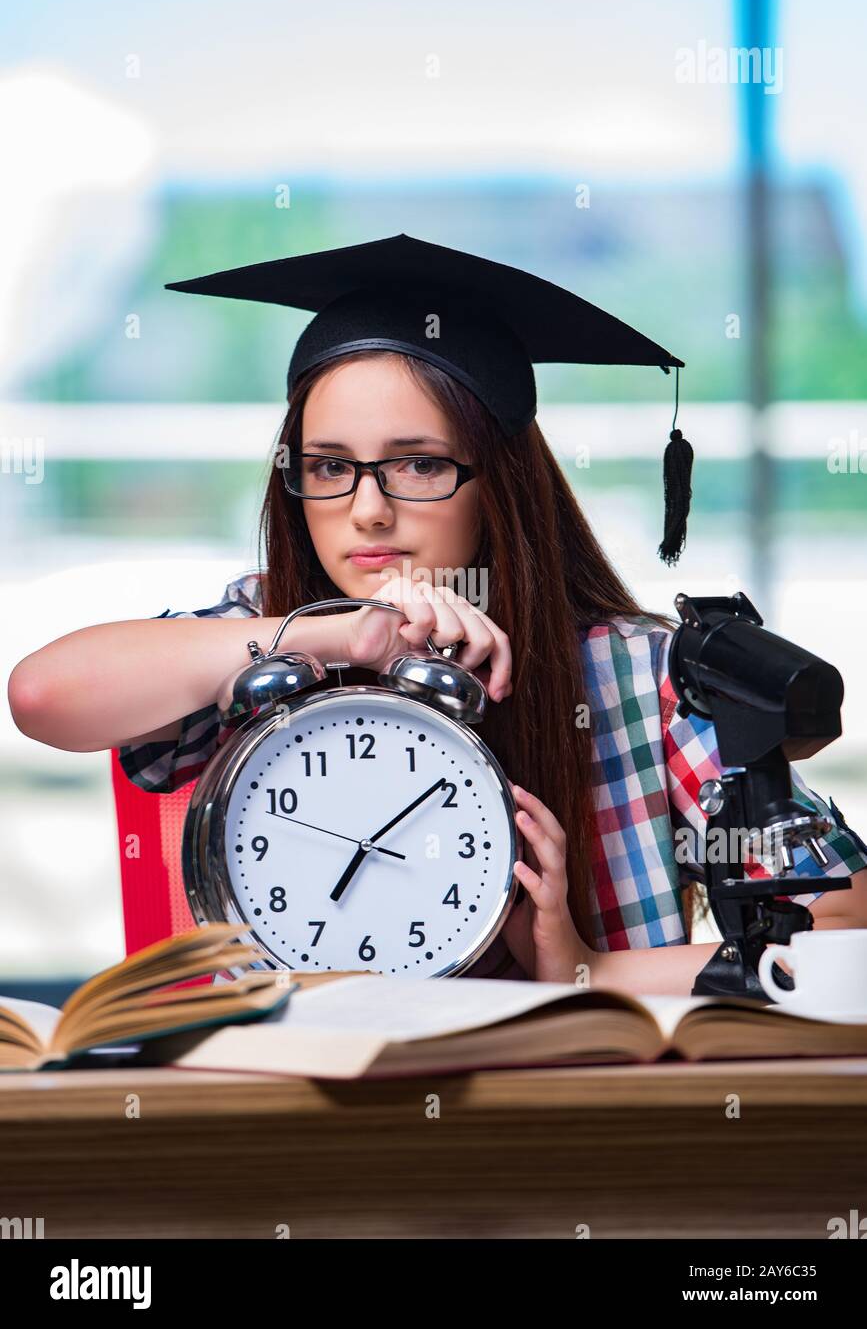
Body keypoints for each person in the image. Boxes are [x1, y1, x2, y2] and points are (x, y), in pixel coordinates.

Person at [9, 236, 867, 991]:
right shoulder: (268, 630)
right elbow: (45, 697)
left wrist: (590, 971)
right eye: (328, 465)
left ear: (501, 482)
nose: (368, 509)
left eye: (417, 466)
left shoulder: (638, 676)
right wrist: (338, 634)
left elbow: (845, 933)